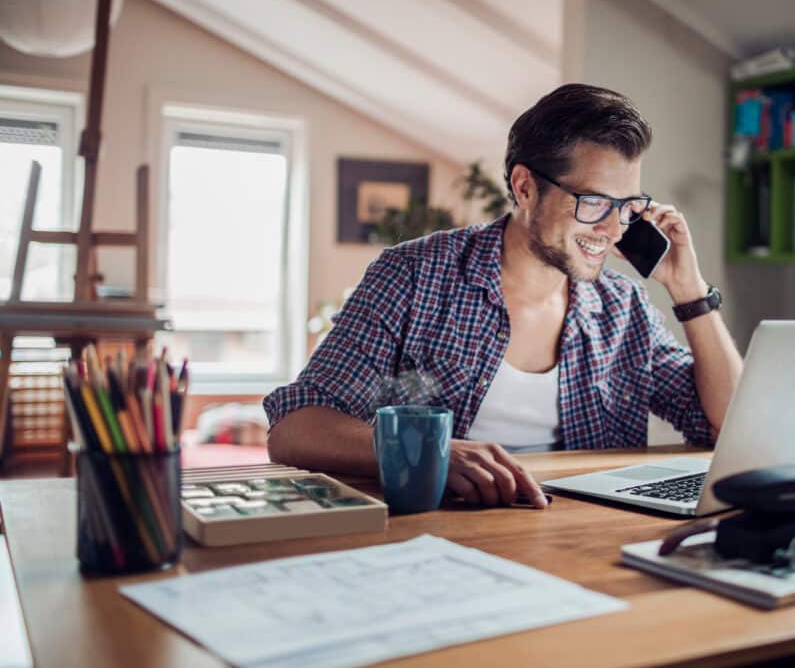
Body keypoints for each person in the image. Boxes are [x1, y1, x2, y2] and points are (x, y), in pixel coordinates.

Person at [265, 83, 743, 509]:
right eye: (595, 202)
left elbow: (730, 425)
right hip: (438, 538)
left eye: (627, 206)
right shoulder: (415, 276)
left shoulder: (623, 307)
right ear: (525, 187)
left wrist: (690, 292)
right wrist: (434, 450)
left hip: (583, 539)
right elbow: (294, 430)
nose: (613, 227)